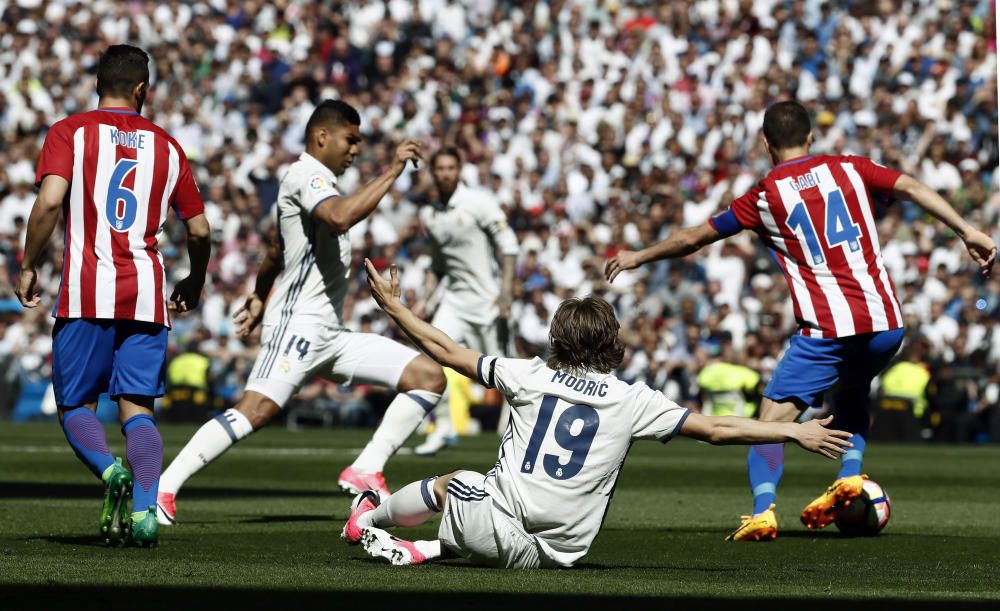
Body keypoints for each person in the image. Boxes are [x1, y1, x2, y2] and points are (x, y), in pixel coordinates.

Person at [605, 100, 996, 541]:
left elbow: (693, 237)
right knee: (852, 394)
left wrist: (638, 256)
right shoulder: (851, 168)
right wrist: (967, 230)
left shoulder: (765, 195)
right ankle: (849, 478)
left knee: (768, 424)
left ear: (766, 144)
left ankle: (763, 510)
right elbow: (913, 187)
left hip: (828, 329)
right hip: (886, 323)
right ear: (811, 136)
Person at [338, 260, 852, 568]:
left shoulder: (530, 373)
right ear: (612, 342)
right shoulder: (633, 399)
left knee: (458, 481)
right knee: (479, 514)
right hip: (561, 553)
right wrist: (793, 431)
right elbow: (717, 428)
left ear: (558, 339)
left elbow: (447, 351)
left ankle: (367, 521)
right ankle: (424, 550)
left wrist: (396, 310)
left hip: (500, 527)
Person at [157, 100, 446, 524]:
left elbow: (277, 249)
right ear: (322, 137)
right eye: (351, 140)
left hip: (328, 331)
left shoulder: (316, 180)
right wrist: (394, 169)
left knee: (428, 375)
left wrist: (257, 295)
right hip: (298, 325)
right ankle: (163, 488)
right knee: (256, 409)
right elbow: (341, 217)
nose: (355, 150)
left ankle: (365, 468)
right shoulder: (308, 174)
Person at [14, 44, 211, 547]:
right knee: (138, 409)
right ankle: (146, 511)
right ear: (143, 90)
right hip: (147, 293)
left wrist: (28, 263)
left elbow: (50, 201)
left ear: (96, 84)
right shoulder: (168, 146)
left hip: (86, 292)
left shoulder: (70, 132)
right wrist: (194, 279)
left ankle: (108, 471)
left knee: (75, 405)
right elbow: (201, 229)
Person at [414, 147, 518, 456]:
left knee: (507, 374)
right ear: (433, 173)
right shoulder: (430, 215)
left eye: (450, 167)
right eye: (440, 168)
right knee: (431, 356)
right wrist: (425, 299)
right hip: (455, 302)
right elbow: (438, 265)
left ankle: (521, 436)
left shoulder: (478, 203)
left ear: (459, 171)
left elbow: (509, 246)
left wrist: (506, 293)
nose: (445, 173)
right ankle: (443, 427)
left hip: (487, 302)